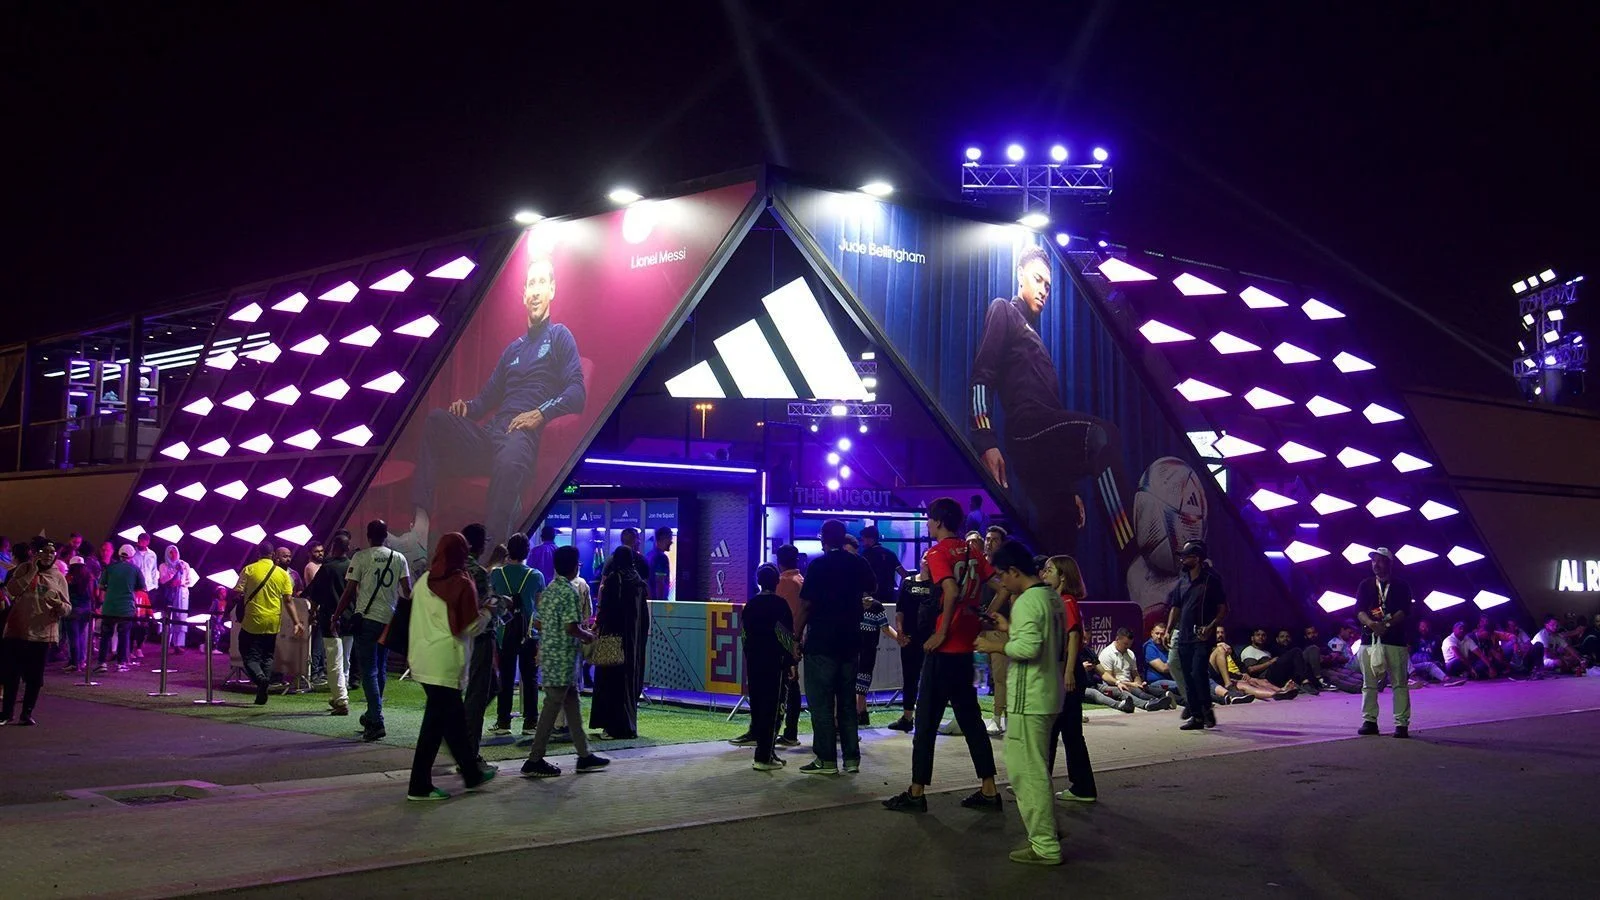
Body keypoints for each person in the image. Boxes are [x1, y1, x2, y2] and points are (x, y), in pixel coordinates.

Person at [401, 254, 586, 550]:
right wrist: (466, 407)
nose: (535, 291)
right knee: (436, 420)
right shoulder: (513, 349)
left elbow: (577, 392)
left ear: (552, 289)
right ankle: (419, 534)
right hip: (490, 435)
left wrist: (540, 413)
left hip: (520, 436)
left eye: (541, 282)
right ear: (523, 294)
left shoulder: (559, 336)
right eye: (531, 284)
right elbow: (485, 400)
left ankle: (490, 555)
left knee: (509, 460)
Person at [970, 245, 1131, 559]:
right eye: (1038, 279)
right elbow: (981, 375)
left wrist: (1068, 487)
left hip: (1045, 443)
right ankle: (1134, 558)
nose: (1044, 290)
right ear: (1020, 275)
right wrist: (985, 439)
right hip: (1027, 430)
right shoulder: (1004, 310)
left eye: (1048, 285)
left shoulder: (1037, 340)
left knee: (1061, 535)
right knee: (1102, 435)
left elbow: (1055, 421)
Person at [884, 497, 1001, 811]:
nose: (927, 524)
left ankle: (916, 792)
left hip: (944, 650)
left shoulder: (937, 553)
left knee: (925, 723)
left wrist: (941, 632)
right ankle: (989, 790)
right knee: (972, 721)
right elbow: (1001, 585)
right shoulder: (972, 551)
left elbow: (950, 590)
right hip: (964, 649)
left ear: (937, 521)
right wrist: (984, 615)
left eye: (928, 519)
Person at [975, 541, 1065, 866]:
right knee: (1034, 768)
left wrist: (994, 645)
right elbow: (1039, 638)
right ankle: (1049, 832)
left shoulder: (1027, 601)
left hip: (1031, 698)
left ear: (1014, 571)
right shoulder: (1051, 597)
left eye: (1002, 575)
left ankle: (1045, 845)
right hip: (1048, 694)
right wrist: (1009, 628)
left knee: (1027, 772)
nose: (1002, 582)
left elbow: (1028, 648)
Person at [406, 532, 498, 800]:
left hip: (421, 658)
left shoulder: (423, 581)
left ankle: (469, 773)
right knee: (442, 725)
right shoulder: (461, 582)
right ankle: (421, 785)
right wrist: (489, 611)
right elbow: (471, 626)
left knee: (446, 722)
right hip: (446, 662)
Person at [521, 545, 610, 777]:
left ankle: (584, 755)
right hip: (564, 659)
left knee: (572, 706)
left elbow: (539, 622)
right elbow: (572, 627)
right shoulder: (570, 592)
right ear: (573, 567)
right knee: (551, 708)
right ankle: (534, 759)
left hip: (551, 655)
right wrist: (588, 636)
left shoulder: (550, 589)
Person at [795, 519, 876, 775]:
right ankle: (851, 759)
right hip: (850, 641)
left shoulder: (818, 565)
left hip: (822, 642)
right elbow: (872, 587)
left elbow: (806, 605)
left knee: (821, 704)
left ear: (823, 539)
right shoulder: (858, 563)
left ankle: (826, 759)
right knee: (847, 703)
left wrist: (795, 638)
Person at [333, 520, 412, 741]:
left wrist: (336, 615)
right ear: (386, 535)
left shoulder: (361, 557)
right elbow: (407, 590)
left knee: (368, 671)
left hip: (367, 619)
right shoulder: (399, 558)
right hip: (389, 620)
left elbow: (349, 591)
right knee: (381, 668)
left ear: (368, 536)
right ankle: (372, 713)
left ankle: (376, 719)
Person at [1040, 554, 1098, 803]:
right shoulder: (1057, 601)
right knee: (1057, 731)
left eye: (1049, 570)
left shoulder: (1066, 602)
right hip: (1062, 674)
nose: (1044, 573)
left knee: (1068, 733)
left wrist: (1068, 673)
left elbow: (1074, 637)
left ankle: (1081, 787)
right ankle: (1044, 781)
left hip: (1067, 676)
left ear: (1063, 576)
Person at [1, 540, 72, 725]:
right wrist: (32, 571)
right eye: (44, 551)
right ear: (35, 553)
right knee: (11, 674)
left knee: (34, 677)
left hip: (42, 634)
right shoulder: (23, 569)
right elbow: (12, 590)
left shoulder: (58, 577)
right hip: (17, 631)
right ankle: (6, 713)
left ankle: (27, 713)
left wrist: (58, 604)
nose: (48, 555)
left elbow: (67, 608)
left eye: (51, 552)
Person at [1164, 539, 1227, 730]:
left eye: (1186, 557)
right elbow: (1175, 607)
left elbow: (1223, 609)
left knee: (1198, 672)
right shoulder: (1182, 582)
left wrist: (1211, 627)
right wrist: (1168, 630)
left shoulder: (1211, 580)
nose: (1182, 560)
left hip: (1202, 635)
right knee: (1188, 676)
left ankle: (1206, 708)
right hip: (1184, 635)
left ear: (1197, 558)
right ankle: (1197, 716)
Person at [589, 546, 649, 740]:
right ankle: (626, 726)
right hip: (632, 642)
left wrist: (596, 626)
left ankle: (611, 727)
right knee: (626, 682)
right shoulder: (638, 582)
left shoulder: (615, 579)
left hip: (612, 638)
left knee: (609, 681)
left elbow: (605, 609)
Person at [739, 564, 794, 770]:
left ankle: (765, 752)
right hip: (775, 663)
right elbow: (785, 637)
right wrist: (790, 662)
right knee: (773, 709)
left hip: (754, 661)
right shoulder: (780, 605)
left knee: (758, 705)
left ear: (758, 581)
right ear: (777, 582)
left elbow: (744, 636)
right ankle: (764, 756)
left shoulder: (751, 605)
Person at [490, 532, 545, 737]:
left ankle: (503, 721)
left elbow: (492, 602)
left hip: (503, 631)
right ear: (527, 552)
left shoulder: (497, 574)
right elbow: (539, 606)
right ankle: (530, 722)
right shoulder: (536, 576)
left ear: (508, 551)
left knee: (505, 677)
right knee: (530, 677)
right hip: (529, 632)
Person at [1356, 548, 1415, 738]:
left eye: (1380, 561)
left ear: (1390, 563)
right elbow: (1359, 611)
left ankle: (1401, 724)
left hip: (1395, 641)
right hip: (1369, 640)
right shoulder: (1365, 585)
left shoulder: (1401, 586)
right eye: (1373, 561)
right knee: (1369, 684)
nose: (1376, 564)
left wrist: (1386, 624)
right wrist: (1372, 624)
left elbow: (1404, 611)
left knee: (1399, 683)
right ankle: (1369, 721)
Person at [236, 543, 300, 705]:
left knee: (249, 655)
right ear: (273, 555)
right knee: (267, 655)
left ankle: (260, 679)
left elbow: (237, 592)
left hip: (252, 619)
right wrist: (296, 622)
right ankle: (262, 689)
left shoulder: (249, 569)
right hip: (273, 620)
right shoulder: (282, 574)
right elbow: (288, 600)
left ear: (258, 553)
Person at [459, 523, 498, 768]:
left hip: (463, 638)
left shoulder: (457, 569)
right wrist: (500, 605)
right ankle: (469, 753)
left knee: (491, 686)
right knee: (478, 693)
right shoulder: (478, 572)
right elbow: (485, 605)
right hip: (481, 638)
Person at [887, 564, 934, 732]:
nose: (927, 561)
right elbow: (900, 610)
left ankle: (928, 719)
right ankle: (907, 718)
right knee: (910, 678)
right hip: (910, 638)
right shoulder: (908, 582)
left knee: (931, 680)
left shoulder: (938, 584)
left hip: (931, 639)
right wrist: (900, 631)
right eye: (924, 557)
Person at [311, 532, 354, 715]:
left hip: (330, 618)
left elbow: (315, 593)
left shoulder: (327, 568)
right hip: (350, 617)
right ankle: (340, 694)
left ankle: (341, 699)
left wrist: (312, 612)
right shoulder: (353, 566)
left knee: (334, 660)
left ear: (333, 547)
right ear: (348, 548)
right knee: (345, 660)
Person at [855, 589, 905, 725]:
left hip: (855, 648)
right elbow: (885, 628)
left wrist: (900, 638)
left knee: (856, 680)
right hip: (867, 649)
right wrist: (900, 639)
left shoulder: (852, 602)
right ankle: (861, 712)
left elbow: (885, 628)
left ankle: (860, 712)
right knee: (863, 679)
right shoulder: (876, 605)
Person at [1097, 627, 1175, 710]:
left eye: (1129, 644)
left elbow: (1135, 674)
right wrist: (1131, 684)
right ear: (1117, 639)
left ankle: (1167, 699)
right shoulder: (1107, 654)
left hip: (1131, 684)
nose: (1127, 647)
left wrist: (1138, 683)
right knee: (1136, 691)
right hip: (1116, 685)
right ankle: (1154, 702)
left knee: (1147, 688)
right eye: (1125, 644)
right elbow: (1108, 679)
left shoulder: (1130, 653)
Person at [774, 544, 805, 747]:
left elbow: (780, 615)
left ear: (779, 562)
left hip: (785, 640)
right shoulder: (801, 580)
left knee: (786, 687)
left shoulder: (784, 582)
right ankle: (791, 731)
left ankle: (788, 732)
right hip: (798, 638)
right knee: (793, 685)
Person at [95, 545, 142, 673]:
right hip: (126, 608)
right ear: (132, 556)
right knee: (123, 635)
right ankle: (121, 663)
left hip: (109, 607)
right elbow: (141, 588)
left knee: (105, 636)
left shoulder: (110, 568)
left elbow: (101, 586)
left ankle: (102, 663)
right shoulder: (135, 569)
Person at [1239, 629, 1321, 695]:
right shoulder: (1249, 650)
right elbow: (1251, 670)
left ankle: (1314, 683)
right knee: (1296, 651)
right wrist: (1270, 662)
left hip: (1276, 674)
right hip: (1267, 676)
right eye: (1258, 635)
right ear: (1252, 638)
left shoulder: (1266, 652)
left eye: (1263, 635)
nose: (1261, 637)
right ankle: (1304, 682)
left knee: (1298, 661)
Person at [156, 545, 196, 654]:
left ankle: (178, 645)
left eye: (175, 552)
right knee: (167, 619)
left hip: (181, 595)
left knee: (180, 619)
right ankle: (165, 644)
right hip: (168, 595)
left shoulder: (184, 564)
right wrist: (174, 571)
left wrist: (181, 583)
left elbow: (190, 581)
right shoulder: (163, 566)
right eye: (170, 552)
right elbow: (162, 580)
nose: (173, 554)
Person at [61, 554, 94, 673]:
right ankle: (81, 661)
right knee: (81, 636)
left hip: (72, 610)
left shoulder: (69, 578)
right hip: (86, 610)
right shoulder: (90, 578)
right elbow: (93, 595)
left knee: (73, 638)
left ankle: (74, 663)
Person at [647, 527, 673, 601]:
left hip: (651, 600)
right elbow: (659, 581)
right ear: (663, 538)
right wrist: (660, 603)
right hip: (657, 601)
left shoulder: (649, 555)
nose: (671, 542)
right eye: (670, 538)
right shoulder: (661, 557)